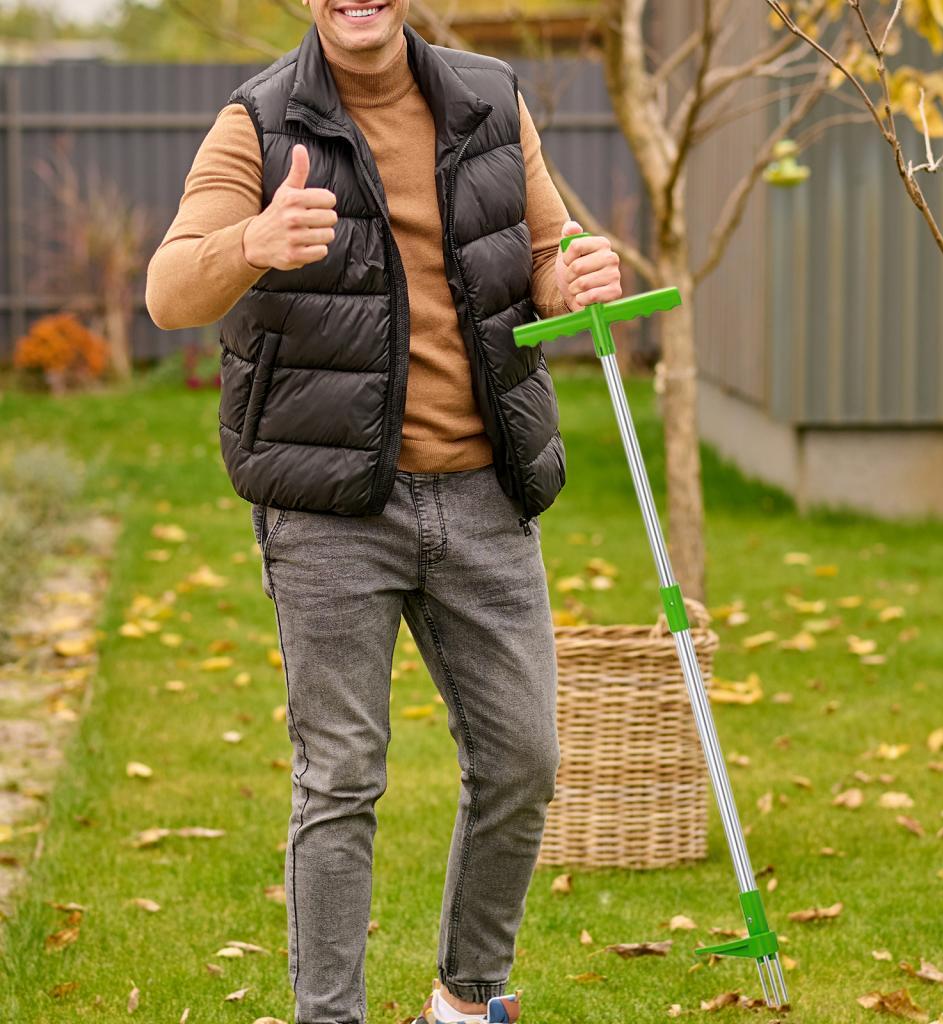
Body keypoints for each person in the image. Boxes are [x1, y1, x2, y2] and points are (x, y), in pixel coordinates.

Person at [145, 2, 622, 1022]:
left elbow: (543, 254)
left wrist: (575, 271)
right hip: (328, 510)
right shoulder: (260, 121)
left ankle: (463, 999)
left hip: (485, 491)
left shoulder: (487, 98)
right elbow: (168, 290)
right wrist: (257, 239)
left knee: (523, 761)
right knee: (341, 778)